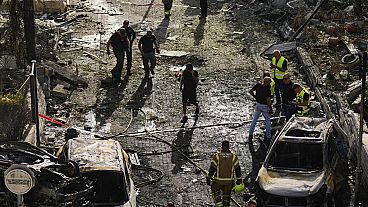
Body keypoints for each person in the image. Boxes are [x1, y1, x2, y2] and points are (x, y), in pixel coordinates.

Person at [207, 140, 242, 207]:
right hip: (229, 182)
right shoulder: (233, 157)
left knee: (215, 191)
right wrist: (239, 180)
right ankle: (226, 204)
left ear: (222, 147)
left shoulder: (217, 156)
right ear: (228, 147)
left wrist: (208, 177)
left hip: (218, 181)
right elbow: (238, 169)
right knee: (227, 195)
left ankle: (219, 204)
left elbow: (212, 169)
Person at [248, 77, 273, 143]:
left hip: (258, 105)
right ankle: (268, 136)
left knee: (254, 120)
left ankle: (250, 134)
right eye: (270, 82)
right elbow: (268, 100)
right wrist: (270, 108)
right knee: (268, 121)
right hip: (264, 106)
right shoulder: (268, 89)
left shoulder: (258, 85)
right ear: (267, 83)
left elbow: (250, 91)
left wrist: (255, 97)